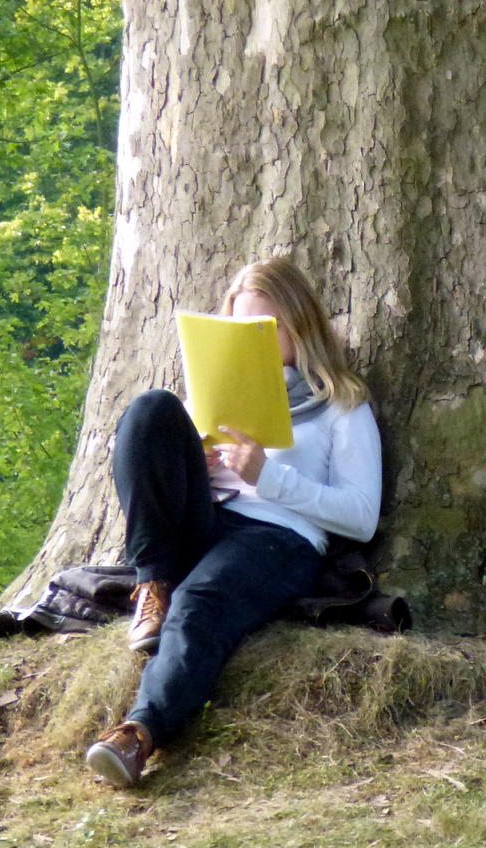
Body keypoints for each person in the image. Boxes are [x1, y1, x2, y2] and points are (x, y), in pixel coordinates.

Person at [84, 258, 382, 787]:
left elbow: (361, 518)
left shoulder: (342, 406)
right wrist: (198, 465)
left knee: (200, 604)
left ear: (300, 326)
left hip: (277, 539)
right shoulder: (213, 399)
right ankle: (152, 585)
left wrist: (269, 478)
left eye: (267, 330)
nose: (256, 345)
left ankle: (139, 734)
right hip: (208, 519)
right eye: (243, 331)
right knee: (152, 408)